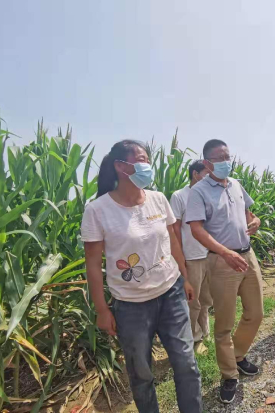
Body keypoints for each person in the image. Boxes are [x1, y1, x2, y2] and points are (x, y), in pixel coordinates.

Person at [81, 140, 202, 413]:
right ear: (120, 166)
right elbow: (93, 265)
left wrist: (185, 277)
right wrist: (102, 310)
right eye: (140, 159)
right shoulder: (98, 210)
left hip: (171, 293)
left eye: (147, 159)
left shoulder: (158, 199)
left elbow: (172, 241)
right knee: (141, 373)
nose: (146, 165)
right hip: (131, 305)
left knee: (186, 363)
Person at [186, 139, 263, 405]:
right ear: (206, 163)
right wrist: (225, 252)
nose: (225, 162)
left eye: (227, 156)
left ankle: (237, 355)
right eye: (219, 158)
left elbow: (249, 214)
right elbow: (196, 229)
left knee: (255, 313)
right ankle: (229, 375)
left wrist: (255, 221)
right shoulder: (199, 191)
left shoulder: (237, 185)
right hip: (221, 261)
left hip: (247, 255)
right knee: (224, 324)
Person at [170, 160, 213, 354]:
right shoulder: (179, 196)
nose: (210, 176)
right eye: (206, 173)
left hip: (209, 254)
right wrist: (180, 257)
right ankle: (194, 337)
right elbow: (175, 229)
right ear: (195, 174)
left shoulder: (209, 194)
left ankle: (205, 331)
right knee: (192, 301)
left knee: (206, 299)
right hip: (192, 256)